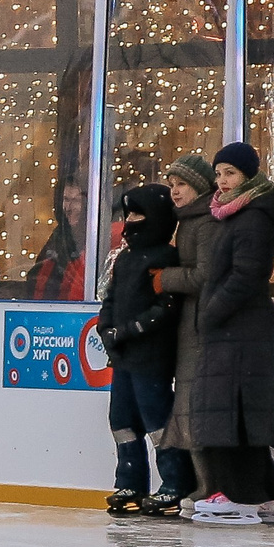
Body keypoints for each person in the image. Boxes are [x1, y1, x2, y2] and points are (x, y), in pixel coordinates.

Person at [158, 142, 274, 526]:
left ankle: (237, 494)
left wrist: (211, 311)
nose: (223, 181)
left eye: (230, 173)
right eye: (218, 174)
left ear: (248, 175)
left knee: (229, 412)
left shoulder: (253, 217)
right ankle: (264, 492)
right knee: (234, 411)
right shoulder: (235, 213)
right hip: (233, 327)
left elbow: (247, 276)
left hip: (239, 328)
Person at [96, 183, 188, 515]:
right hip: (123, 356)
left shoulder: (166, 257)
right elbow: (110, 298)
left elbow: (166, 306)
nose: (131, 221)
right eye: (128, 214)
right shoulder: (124, 260)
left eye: (138, 214)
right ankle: (130, 482)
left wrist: (131, 329)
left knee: (156, 420)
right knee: (121, 419)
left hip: (151, 356)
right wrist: (105, 327)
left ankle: (175, 482)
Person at [153, 154, 219, 497]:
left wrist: (166, 278)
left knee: (193, 408)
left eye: (181, 184)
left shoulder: (205, 221)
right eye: (171, 185)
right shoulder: (189, 219)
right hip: (189, 327)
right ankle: (201, 485)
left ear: (198, 186)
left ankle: (208, 487)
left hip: (200, 328)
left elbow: (206, 276)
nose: (174, 192)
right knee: (187, 408)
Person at [26, 178, 88, 300]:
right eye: (66, 200)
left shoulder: (92, 238)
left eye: (76, 201)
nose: (69, 207)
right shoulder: (59, 235)